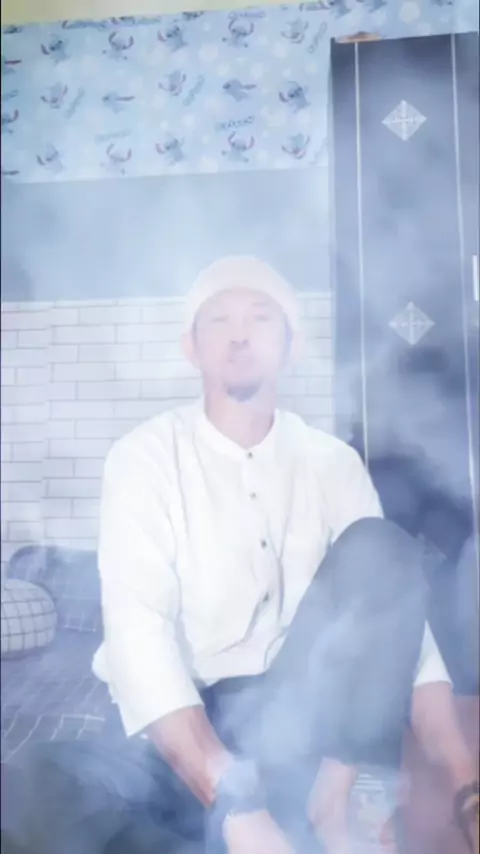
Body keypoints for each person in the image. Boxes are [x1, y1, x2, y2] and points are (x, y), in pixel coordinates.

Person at [2, 256, 478, 854]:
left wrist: (468, 789)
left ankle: (324, 808)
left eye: (260, 317)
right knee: (31, 788)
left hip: (295, 734)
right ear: (191, 347)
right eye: (218, 319)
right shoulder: (143, 457)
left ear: (291, 345)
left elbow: (399, 622)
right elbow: (138, 637)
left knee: (384, 548)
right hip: (175, 738)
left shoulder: (332, 462)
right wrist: (235, 805)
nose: (239, 334)